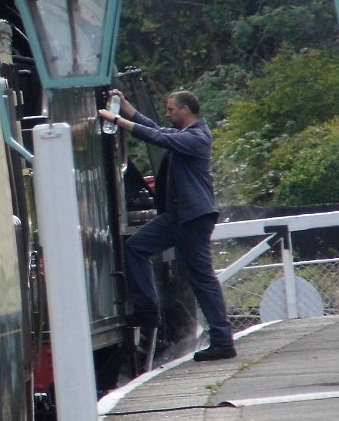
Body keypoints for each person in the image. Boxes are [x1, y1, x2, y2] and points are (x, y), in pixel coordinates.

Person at [98, 89, 236, 361]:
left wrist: (117, 122)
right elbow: (156, 129)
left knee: (203, 279)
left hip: (193, 218)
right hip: (176, 217)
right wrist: (126, 107)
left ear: (186, 109)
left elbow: (157, 136)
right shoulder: (185, 136)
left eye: (172, 109)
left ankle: (223, 340)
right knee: (136, 247)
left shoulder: (197, 137)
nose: (169, 112)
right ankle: (148, 309)